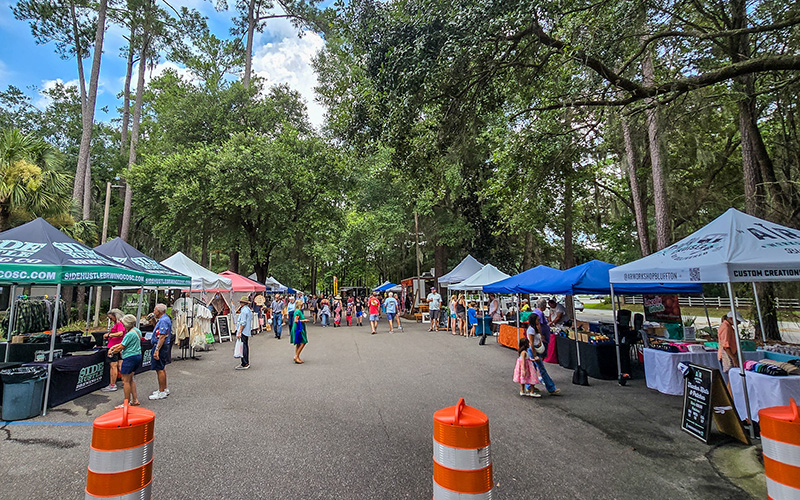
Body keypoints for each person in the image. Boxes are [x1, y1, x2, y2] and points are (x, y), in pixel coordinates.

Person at [108, 314, 142, 408]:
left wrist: (112, 351)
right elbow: (123, 344)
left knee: (125, 381)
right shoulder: (137, 331)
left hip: (129, 357)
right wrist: (114, 347)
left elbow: (122, 346)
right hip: (137, 355)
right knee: (131, 379)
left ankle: (126, 403)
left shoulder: (129, 334)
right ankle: (135, 399)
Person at [528, 304, 561, 395]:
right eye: (538, 320)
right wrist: (534, 355)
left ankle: (529, 386)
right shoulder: (531, 330)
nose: (540, 321)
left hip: (536, 350)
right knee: (541, 369)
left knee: (534, 368)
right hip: (533, 351)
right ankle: (551, 388)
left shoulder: (535, 329)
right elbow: (531, 344)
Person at [148, 304, 172, 400]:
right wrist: (153, 320)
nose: (154, 311)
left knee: (159, 368)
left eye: (155, 310)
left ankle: (161, 391)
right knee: (162, 367)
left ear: (159, 311)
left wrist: (157, 350)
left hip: (161, 346)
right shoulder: (163, 319)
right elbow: (157, 330)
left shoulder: (163, 321)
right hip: (162, 345)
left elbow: (162, 336)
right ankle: (164, 388)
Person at [101, 309, 126, 393]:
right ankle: (125, 382)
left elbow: (120, 333)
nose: (110, 319)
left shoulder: (119, 323)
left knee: (113, 365)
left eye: (111, 317)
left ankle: (112, 385)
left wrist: (109, 335)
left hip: (114, 346)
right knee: (120, 364)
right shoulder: (120, 323)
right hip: (118, 345)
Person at [718, 312, 742, 388]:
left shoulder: (728, 327)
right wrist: (734, 358)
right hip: (727, 356)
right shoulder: (726, 328)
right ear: (731, 319)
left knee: (733, 378)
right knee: (731, 378)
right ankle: (730, 396)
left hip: (730, 354)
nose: (739, 323)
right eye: (738, 321)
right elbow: (726, 346)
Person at [235, 296, 252, 370]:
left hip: (244, 331)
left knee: (243, 346)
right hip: (246, 331)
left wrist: (239, 331)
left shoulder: (244, 311)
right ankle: (245, 362)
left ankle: (244, 362)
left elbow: (243, 322)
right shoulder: (248, 310)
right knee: (245, 346)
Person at [291, 299, 309, 363]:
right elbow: (296, 320)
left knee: (298, 343)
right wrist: (304, 320)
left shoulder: (297, 311)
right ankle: (296, 356)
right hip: (298, 328)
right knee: (303, 341)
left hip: (299, 327)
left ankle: (297, 357)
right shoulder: (298, 312)